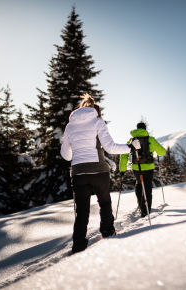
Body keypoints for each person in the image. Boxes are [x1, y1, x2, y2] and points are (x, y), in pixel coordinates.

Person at [61, 94, 141, 253]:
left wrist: (77, 154)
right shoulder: (98, 122)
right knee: (104, 203)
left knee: (81, 211)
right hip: (99, 171)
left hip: (77, 173)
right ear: (94, 109)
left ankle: (78, 246)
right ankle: (108, 232)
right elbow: (110, 147)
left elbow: (66, 155)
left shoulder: (70, 126)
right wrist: (131, 147)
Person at [119, 122, 166, 217]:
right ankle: (146, 210)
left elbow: (123, 155)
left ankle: (140, 205)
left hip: (136, 168)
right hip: (148, 167)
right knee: (147, 188)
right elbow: (162, 152)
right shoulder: (151, 139)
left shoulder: (131, 140)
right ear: (145, 129)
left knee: (139, 185)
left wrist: (122, 170)